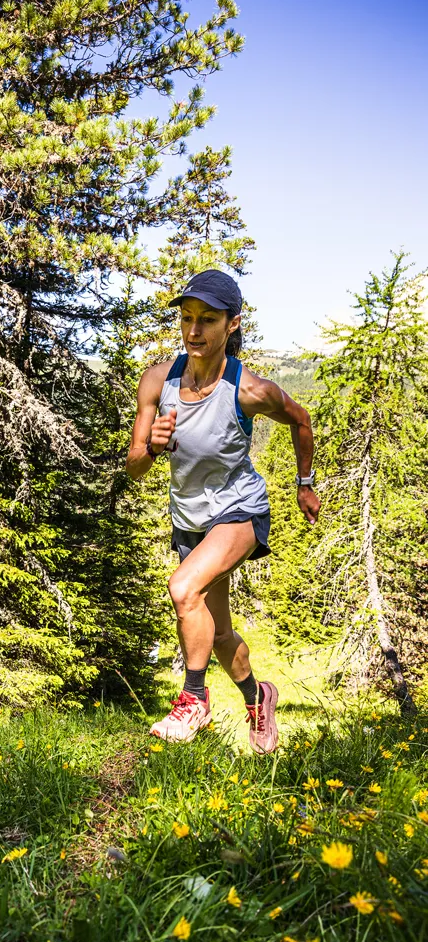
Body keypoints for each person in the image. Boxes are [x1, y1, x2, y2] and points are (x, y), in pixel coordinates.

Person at [125, 269, 320, 753]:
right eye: (187, 319)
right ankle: (259, 698)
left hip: (239, 511)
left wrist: (304, 484)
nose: (194, 331)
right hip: (190, 519)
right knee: (219, 633)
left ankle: (192, 701)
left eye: (207, 321)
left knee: (182, 587)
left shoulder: (248, 390)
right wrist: (152, 446)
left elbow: (301, 419)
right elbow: (133, 468)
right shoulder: (158, 381)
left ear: (232, 324)